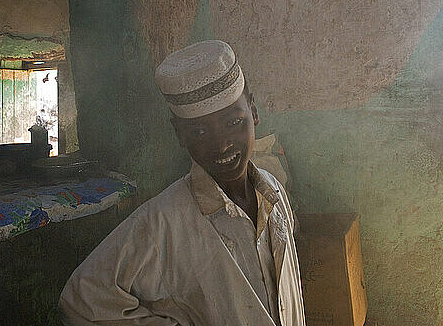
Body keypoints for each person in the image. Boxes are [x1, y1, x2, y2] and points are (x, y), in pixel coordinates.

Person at [58, 40, 306, 326]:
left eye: (233, 122)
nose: (221, 145)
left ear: (254, 111)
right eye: (200, 131)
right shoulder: (162, 220)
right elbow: (81, 301)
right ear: (180, 135)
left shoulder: (272, 191)